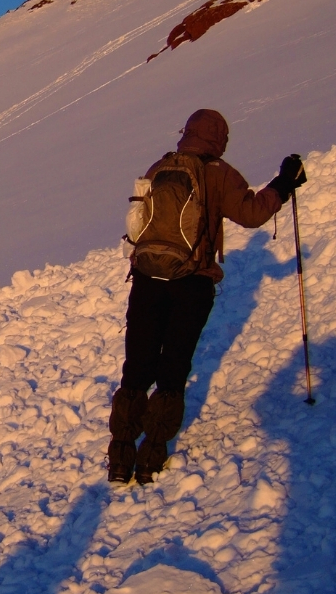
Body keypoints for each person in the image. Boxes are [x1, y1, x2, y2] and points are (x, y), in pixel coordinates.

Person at [108, 108, 306, 484]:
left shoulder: (159, 167)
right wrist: (284, 184)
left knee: (137, 366)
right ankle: (150, 458)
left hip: (148, 278)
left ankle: (119, 459)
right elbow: (250, 214)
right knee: (173, 368)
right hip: (192, 284)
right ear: (219, 139)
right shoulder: (219, 174)